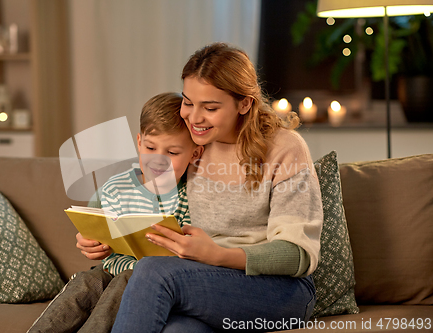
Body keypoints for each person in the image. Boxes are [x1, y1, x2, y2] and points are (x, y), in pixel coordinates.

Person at [79, 42, 324, 333]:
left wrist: (217, 255)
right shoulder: (195, 144)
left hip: (280, 291)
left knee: (153, 272)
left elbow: (298, 255)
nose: (194, 118)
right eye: (188, 102)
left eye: (210, 107)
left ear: (244, 103)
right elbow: (141, 188)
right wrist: (97, 233)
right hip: (203, 281)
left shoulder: (285, 148)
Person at [28, 92, 203, 333]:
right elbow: (92, 227)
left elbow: (195, 250)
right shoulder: (114, 188)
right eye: (151, 147)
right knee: (84, 284)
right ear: (139, 142)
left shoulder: (192, 196)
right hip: (110, 268)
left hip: (151, 280)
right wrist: (88, 242)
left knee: (123, 284)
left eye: (172, 153)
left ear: (195, 153)